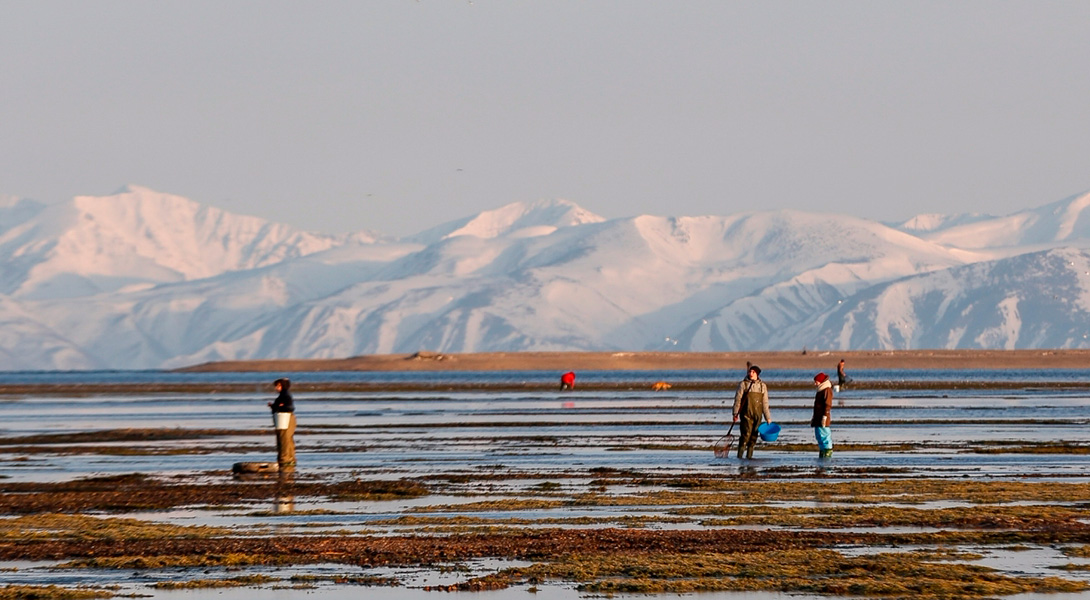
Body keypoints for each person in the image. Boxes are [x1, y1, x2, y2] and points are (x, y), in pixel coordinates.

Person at [733, 365, 771, 459]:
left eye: (753, 372)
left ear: (757, 374)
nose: (751, 373)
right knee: (745, 435)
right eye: (750, 372)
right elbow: (738, 400)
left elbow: (765, 403)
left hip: (758, 416)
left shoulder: (762, 386)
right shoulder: (743, 384)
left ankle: (749, 457)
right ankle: (740, 457)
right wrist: (735, 413)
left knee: (754, 437)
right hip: (746, 414)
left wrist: (768, 417)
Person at [269, 378, 296, 466]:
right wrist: (274, 406)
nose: (276, 388)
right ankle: (291, 459)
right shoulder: (284, 395)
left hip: (285, 419)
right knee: (288, 439)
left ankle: (284, 460)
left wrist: (278, 407)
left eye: (277, 386)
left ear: (282, 386)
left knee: (283, 439)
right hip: (285, 419)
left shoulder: (285, 396)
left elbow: (289, 407)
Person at [812, 372, 834, 458]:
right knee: (819, 435)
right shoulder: (820, 390)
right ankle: (822, 452)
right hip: (817, 417)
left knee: (825, 435)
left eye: (816, 381)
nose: (815, 383)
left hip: (823, 417)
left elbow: (828, 404)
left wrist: (825, 416)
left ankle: (827, 454)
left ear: (821, 381)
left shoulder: (827, 390)